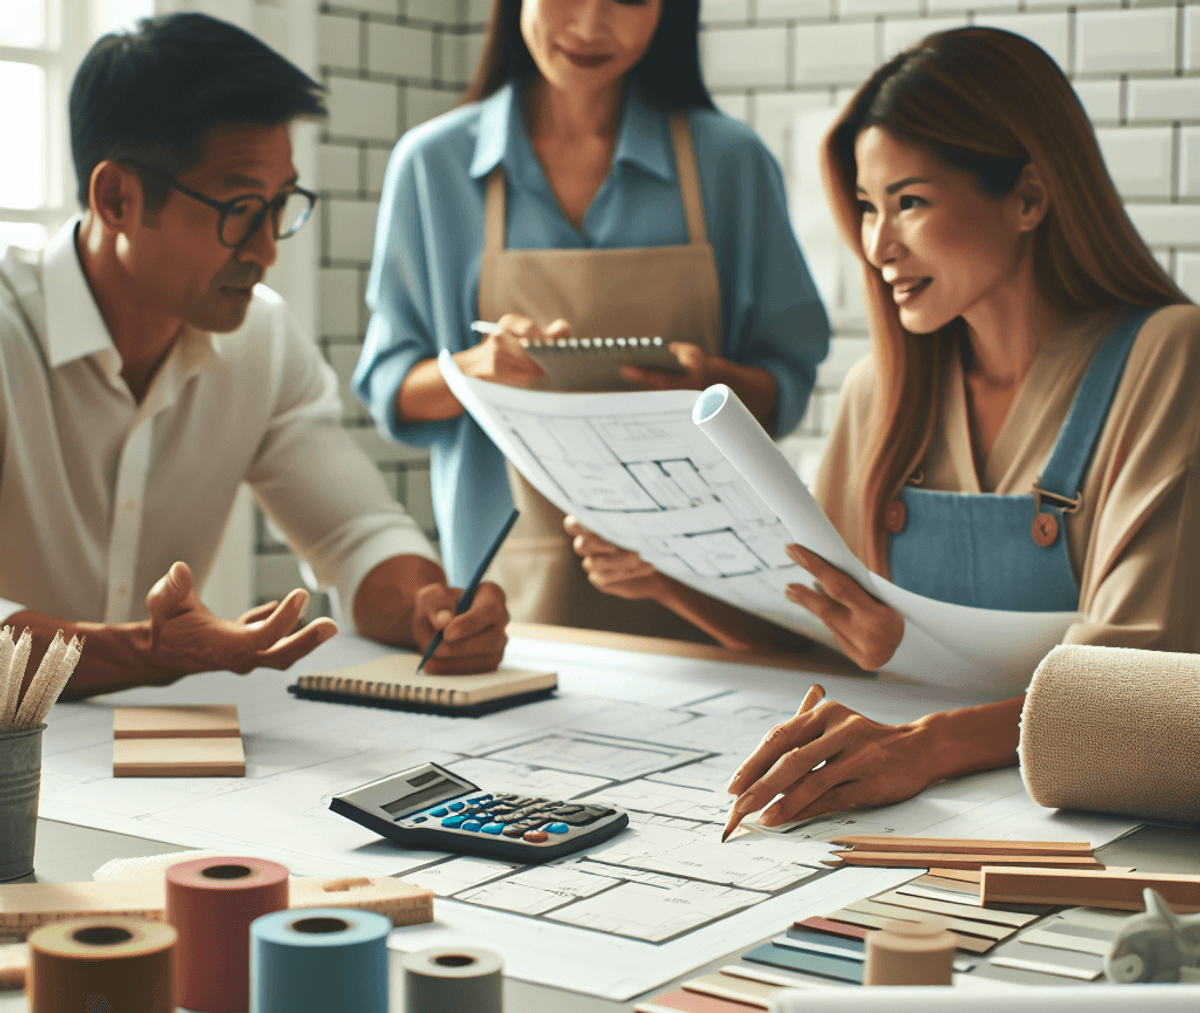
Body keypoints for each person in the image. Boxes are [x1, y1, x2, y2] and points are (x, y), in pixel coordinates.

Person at [571, 27, 1200, 825]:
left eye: (910, 202)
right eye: (867, 207)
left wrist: (926, 746)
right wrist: (662, 573)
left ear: (1030, 197)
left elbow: (1130, 686)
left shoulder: (1169, 355)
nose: (877, 246)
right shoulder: (883, 389)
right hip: (908, 805)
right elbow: (822, 639)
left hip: (1079, 819)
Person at [0, 13, 508, 700]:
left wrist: (429, 608)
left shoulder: (260, 339)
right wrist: (150, 653)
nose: (267, 249)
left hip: (154, 770)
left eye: (281, 204)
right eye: (239, 207)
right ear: (117, 197)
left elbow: (357, 533)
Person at [353, 0, 829, 635]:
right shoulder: (432, 165)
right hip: (503, 591)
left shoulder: (731, 163)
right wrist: (473, 372)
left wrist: (715, 387)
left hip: (708, 591)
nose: (589, 25)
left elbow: (785, 386)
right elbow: (391, 393)